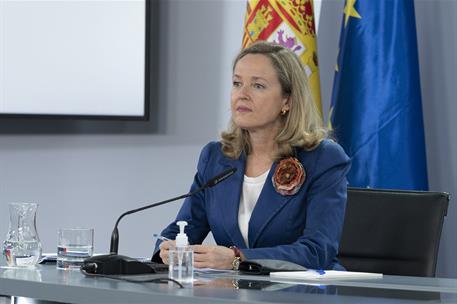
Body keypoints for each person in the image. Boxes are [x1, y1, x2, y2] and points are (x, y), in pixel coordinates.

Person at [152, 41, 351, 270]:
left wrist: (238, 258)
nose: (242, 95)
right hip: (234, 292)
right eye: (237, 83)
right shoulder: (216, 157)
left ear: (287, 99)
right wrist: (166, 249)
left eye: (258, 86)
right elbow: (183, 228)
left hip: (301, 293)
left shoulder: (323, 159)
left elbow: (318, 251)